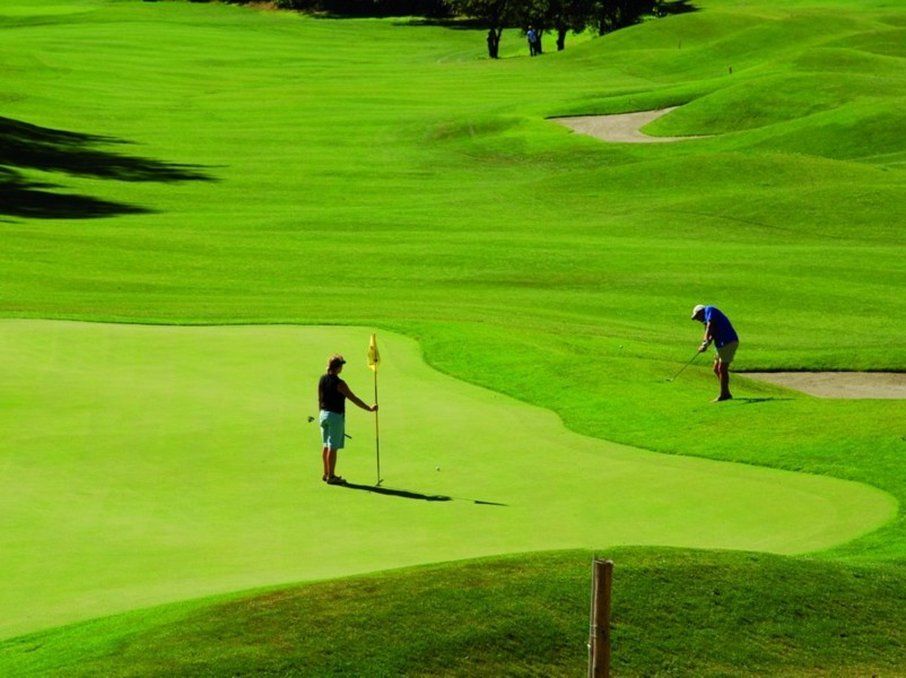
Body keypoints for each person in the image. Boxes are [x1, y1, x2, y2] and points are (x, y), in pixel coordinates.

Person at [318, 354, 377, 485]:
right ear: (338, 368)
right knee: (332, 447)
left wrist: (321, 414)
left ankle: (326, 473)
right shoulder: (340, 384)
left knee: (326, 446)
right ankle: (331, 476)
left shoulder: (322, 379)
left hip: (323, 414)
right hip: (335, 417)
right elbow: (353, 398)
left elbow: (320, 397)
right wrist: (369, 408)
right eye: (341, 365)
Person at [691, 304, 739, 402]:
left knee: (722, 368)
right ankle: (726, 392)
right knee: (716, 369)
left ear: (701, 312)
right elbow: (711, 335)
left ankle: (724, 394)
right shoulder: (707, 321)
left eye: (697, 317)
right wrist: (705, 345)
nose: (698, 319)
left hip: (728, 341)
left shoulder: (710, 310)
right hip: (721, 345)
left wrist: (705, 342)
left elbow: (710, 327)